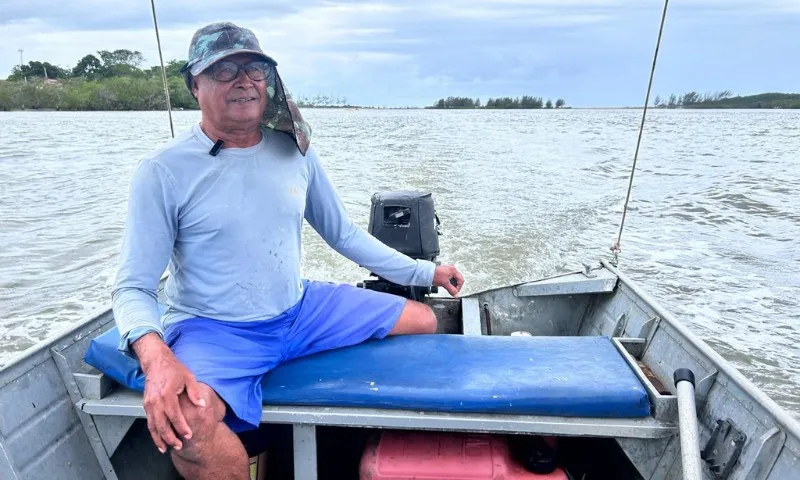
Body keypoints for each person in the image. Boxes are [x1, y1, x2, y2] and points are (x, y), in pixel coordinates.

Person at [111, 21, 464, 480]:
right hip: (215, 328)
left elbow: (344, 235)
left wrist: (424, 274)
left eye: (255, 68)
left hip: (300, 310)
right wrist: (156, 360)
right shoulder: (163, 172)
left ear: (269, 81)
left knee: (424, 320)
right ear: (194, 85)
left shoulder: (294, 151)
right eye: (223, 71)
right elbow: (133, 286)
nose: (243, 80)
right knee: (191, 427)